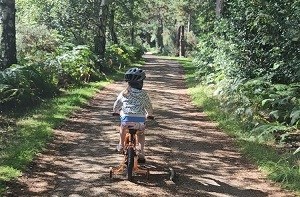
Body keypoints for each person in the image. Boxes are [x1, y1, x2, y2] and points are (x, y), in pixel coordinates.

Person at [113, 67, 154, 163]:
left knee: (122, 128)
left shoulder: (124, 93)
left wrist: (115, 111)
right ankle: (141, 152)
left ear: (128, 83)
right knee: (141, 134)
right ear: (141, 83)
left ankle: (121, 145)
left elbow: (117, 104)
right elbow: (148, 106)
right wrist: (150, 114)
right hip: (140, 121)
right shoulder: (144, 94)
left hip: (126, 120)